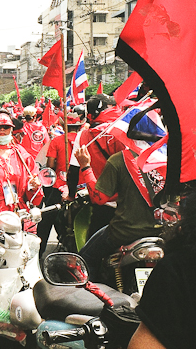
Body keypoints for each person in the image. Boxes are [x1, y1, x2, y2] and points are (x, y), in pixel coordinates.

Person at [75, 145, 163, 281]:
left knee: (84, 260)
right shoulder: (168, 159)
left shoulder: (118, 159)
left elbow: (99, 198)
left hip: (123, 231)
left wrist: (85, 166)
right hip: (162, 232)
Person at [128, 189, 196, 349]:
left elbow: (100, 198)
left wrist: (86, 168)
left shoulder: (181, 264)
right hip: (153, 232)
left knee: (90, 255)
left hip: (127, 231)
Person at [68, 94, 126, 238]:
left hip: (102, 202)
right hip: (130, 204)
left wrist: (70, 196)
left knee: (90, 255)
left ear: (89, 115)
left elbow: (73, 171)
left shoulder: (83, 136)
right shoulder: (125, 129)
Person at [38, 112, 84, 256]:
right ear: (79, 126)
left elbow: (50, 165)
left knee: (45, 221)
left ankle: (39, 253)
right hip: (83, 186)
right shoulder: (85, 140)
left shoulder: (57, 141)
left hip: (60, 185)